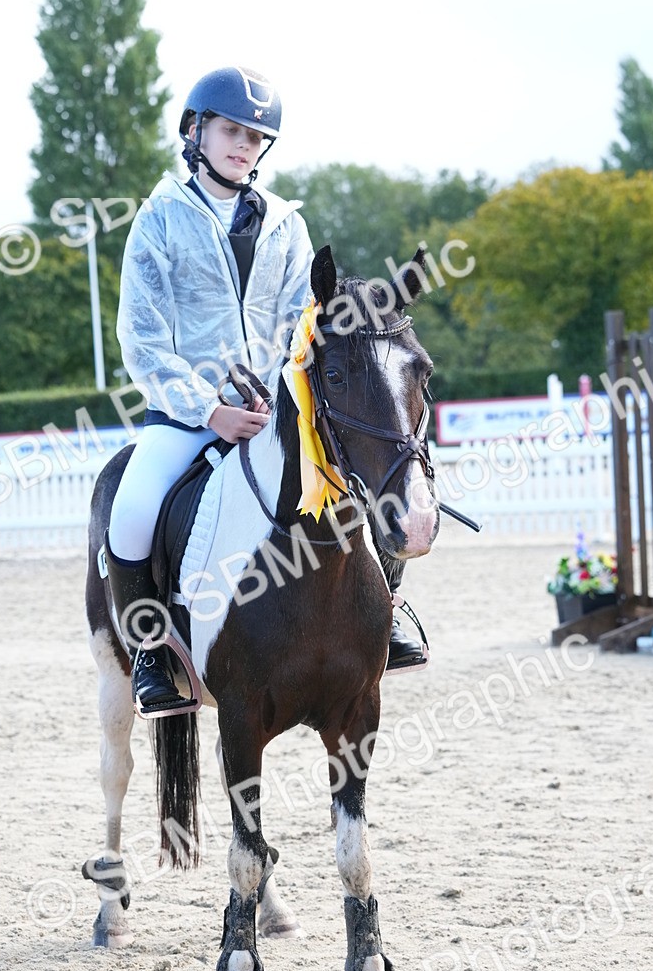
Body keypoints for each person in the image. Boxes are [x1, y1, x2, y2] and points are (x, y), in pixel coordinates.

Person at [106, 65, 424, 715]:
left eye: (255, 138)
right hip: (185, 412)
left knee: (365, 477)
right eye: (231, 131)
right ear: (195, 131)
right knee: (132, 511)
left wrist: (280, 397)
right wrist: (210, 410)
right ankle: (151, 657)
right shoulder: (159, 219)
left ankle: (385, 611)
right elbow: (142, 341)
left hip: (275, 409)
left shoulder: (286, 223)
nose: (243, 146)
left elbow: (297, 325)